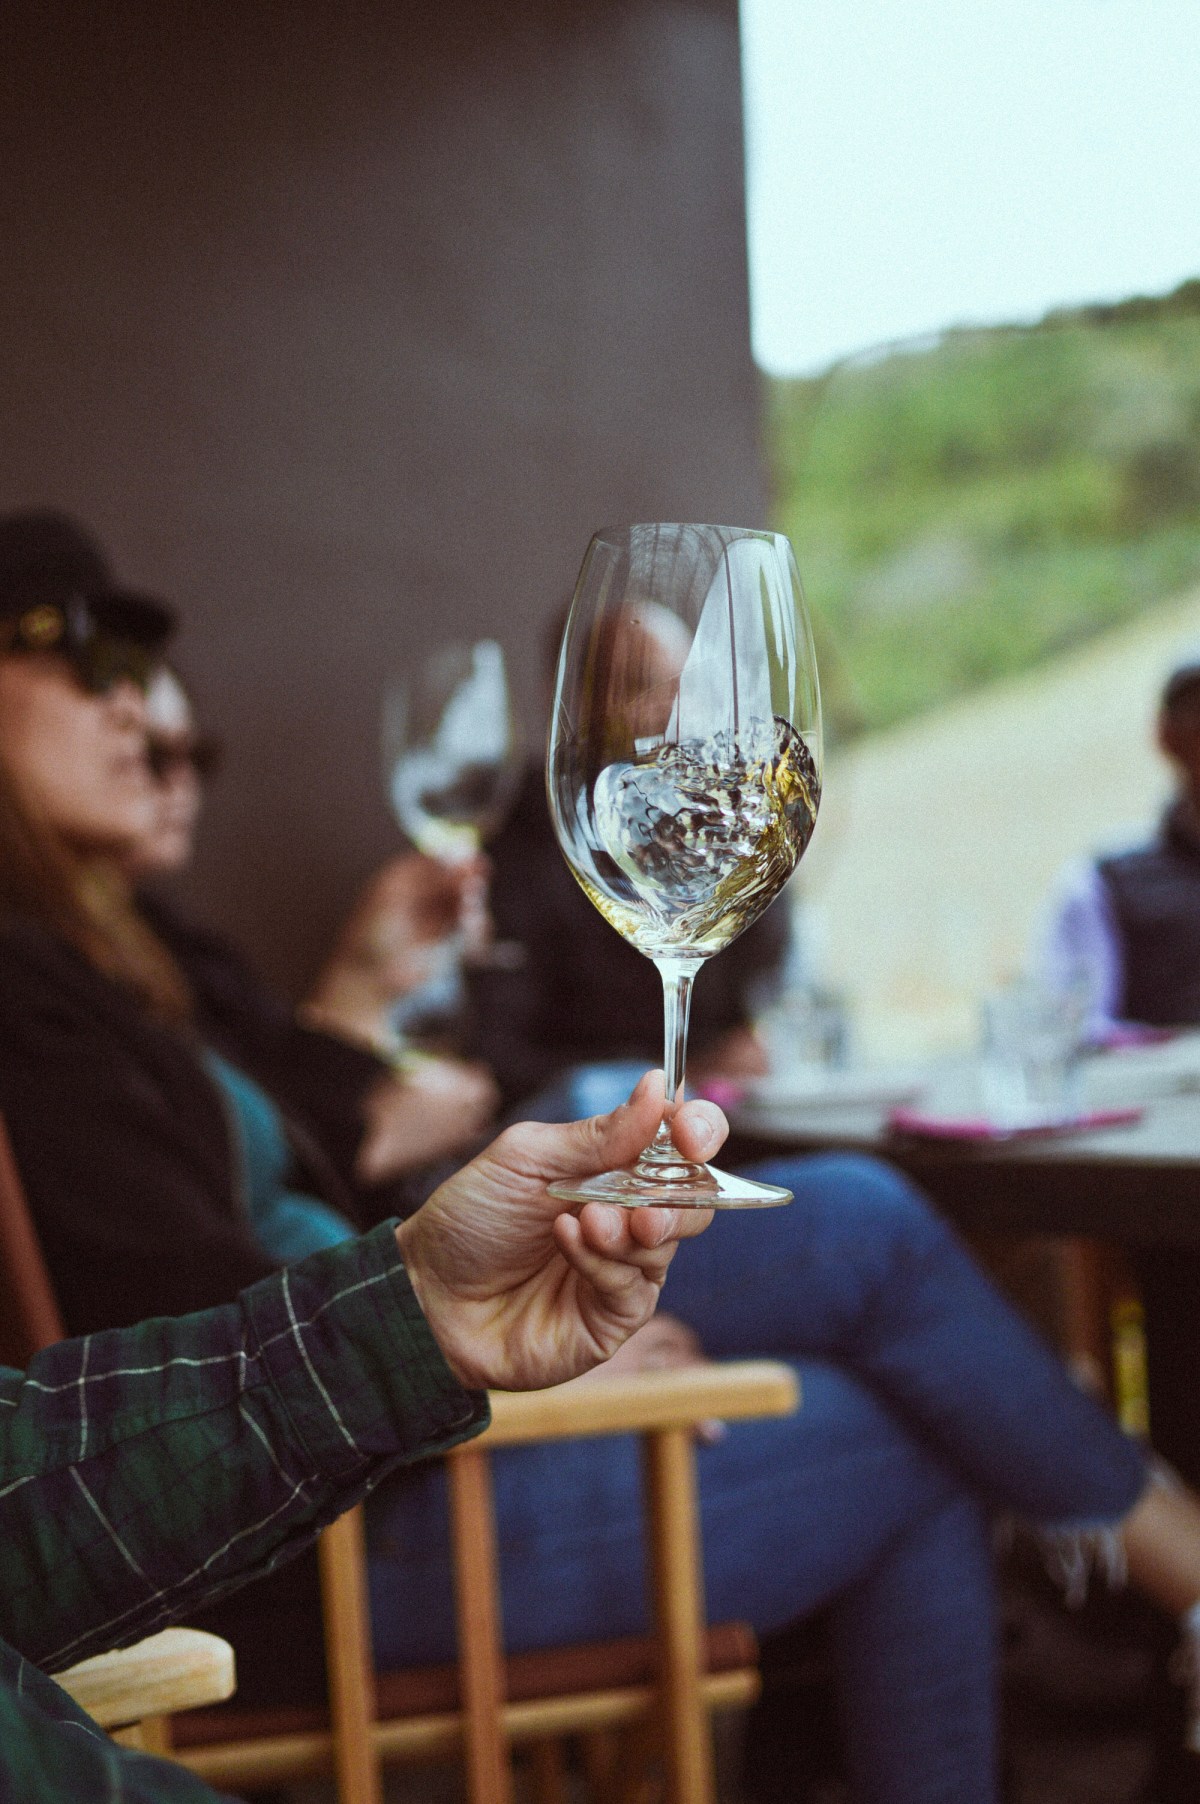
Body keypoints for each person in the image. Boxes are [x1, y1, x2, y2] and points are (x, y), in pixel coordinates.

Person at [9, 525, 1200, 1802]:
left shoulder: (140, 953)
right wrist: (474, 1361)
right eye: (87, 663)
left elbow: (309, 1147)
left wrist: (360, 1024)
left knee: (863, 1258)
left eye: (160, 697)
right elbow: (177, 1308)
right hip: (319, 1541)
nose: (139, 714)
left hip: (374, 1416)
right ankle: (1178, 1569)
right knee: (884, 1338)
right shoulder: (29, 987)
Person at [0, 1074, 717, 1804]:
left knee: (840, 1240)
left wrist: (422, 1315)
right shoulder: (48, 1027)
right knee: (839, 1406)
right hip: (341, 1551)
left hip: (371, 1418)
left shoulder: (136, 990)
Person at [465, 603, 788, 1109]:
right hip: (586, 1117)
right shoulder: (526, 840)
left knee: (864, 1186)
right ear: (579, 703)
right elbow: (499, 1056)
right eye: (645, 685)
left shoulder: (716, 820)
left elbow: (757, 1005)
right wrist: (679, 1072)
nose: (679, 708)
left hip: (719, 1121)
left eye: (690, 684)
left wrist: (770, 865)